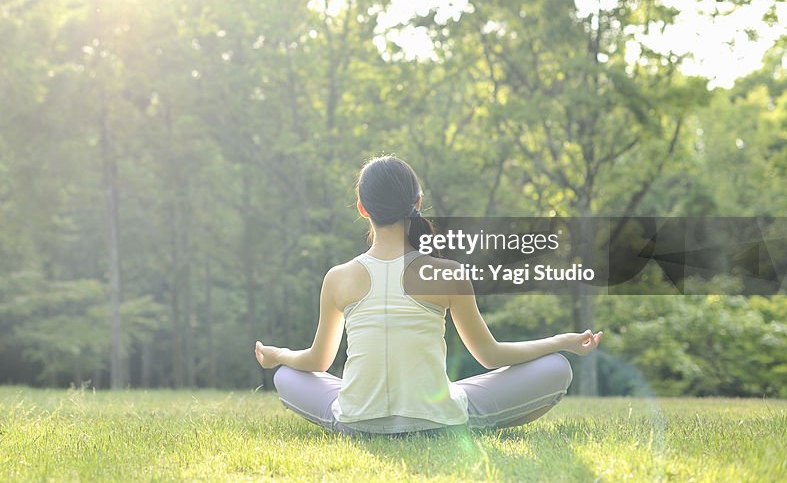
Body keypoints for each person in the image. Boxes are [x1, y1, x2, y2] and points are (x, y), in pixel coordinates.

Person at [254, 155, 603, 435]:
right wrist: (559, 341)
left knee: (286, 374)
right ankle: (450, 413)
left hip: (353, 421)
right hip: (437, 420)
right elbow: (491, 355)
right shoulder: (448, 272)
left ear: (362, 208)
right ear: (417, 203)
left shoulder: (338, 278)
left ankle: (382, 407)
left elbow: (318, 363)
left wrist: (278, 354)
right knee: (556, 367)